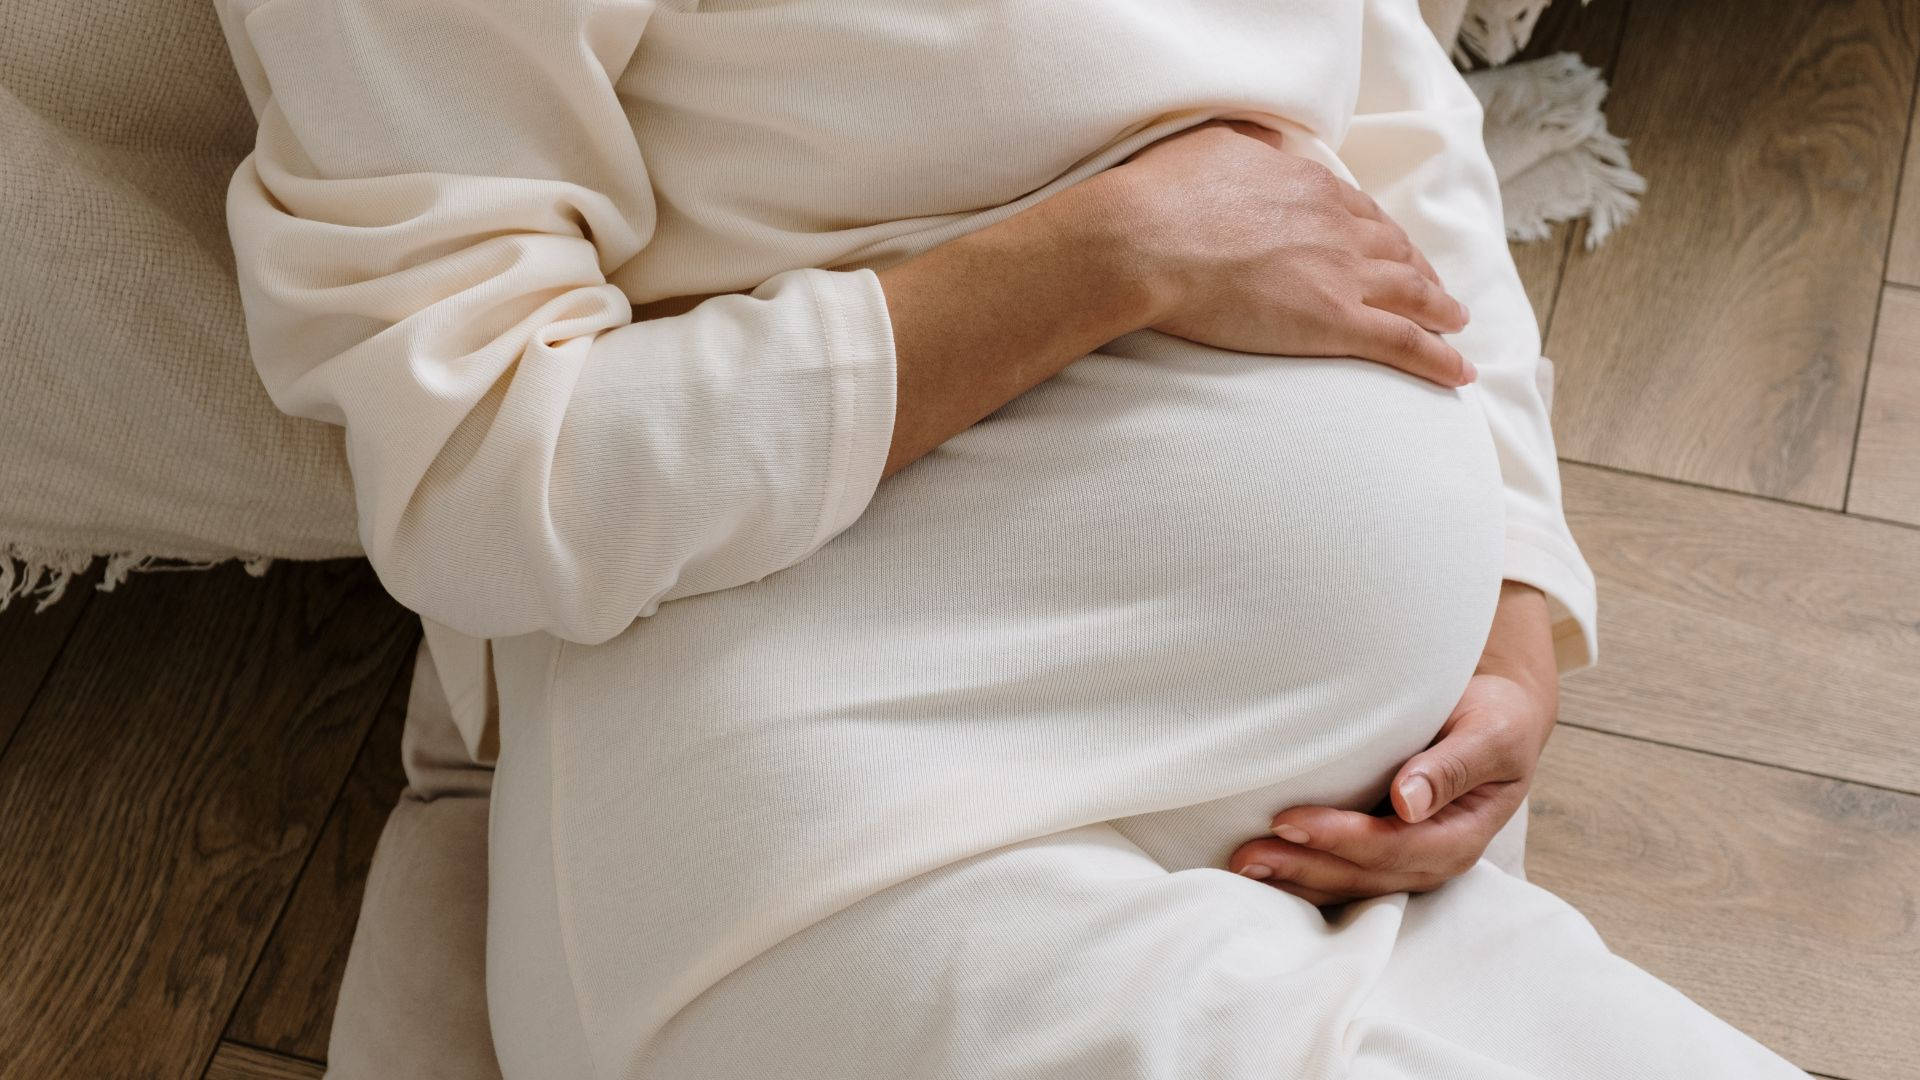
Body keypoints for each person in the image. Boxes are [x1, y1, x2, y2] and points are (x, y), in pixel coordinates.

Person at [216, 0, 1809, 1076]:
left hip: (1377, 808)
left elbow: (1380, 79)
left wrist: (1518, 590)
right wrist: (1103, 259)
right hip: (850, 807)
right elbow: (481, 467)